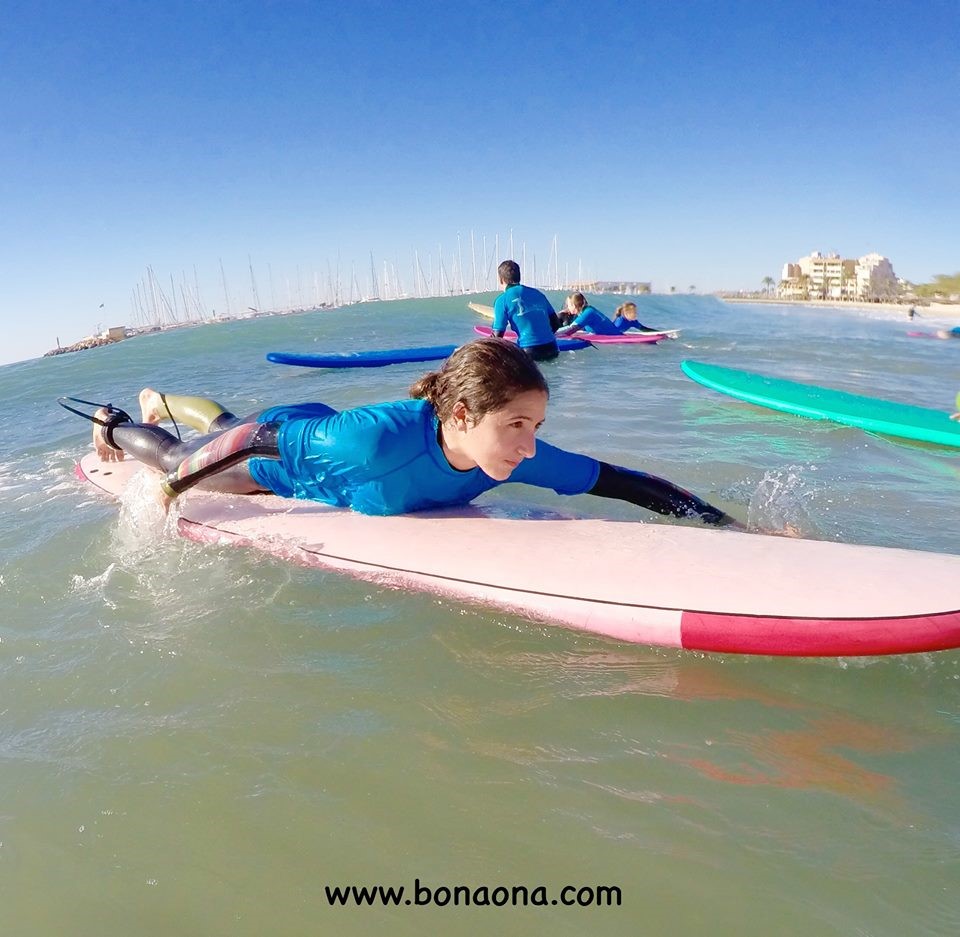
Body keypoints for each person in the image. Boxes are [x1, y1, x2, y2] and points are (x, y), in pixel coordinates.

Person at [86, 339, 738, 526]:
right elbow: (256, 442)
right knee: (190, 446)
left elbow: (620, 481)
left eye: (536, 426)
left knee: (222, 421)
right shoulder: (373, 441)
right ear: (461, 417)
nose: (530, 443)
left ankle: (169, 400)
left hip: (310, 431)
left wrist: (721, 525)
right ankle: (115, 424)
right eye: (517, 425)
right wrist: (173, 489)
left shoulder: (510, 457)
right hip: (285, 450)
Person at [491, 260, 561, 361]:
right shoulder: (538, 294)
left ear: (501, 280)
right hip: (552, 349)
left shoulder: (502, 300)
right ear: (519, 276)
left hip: (529, 353)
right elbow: (556, 323)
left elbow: (497, 337)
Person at [555, 293, 621, 337]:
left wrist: (551, 334)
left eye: (568, 305)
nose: (567, 307)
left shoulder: (588, 313)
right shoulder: (586, 310)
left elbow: (571, 329)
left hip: (615, 337)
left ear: (574, 305)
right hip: (613, 335)